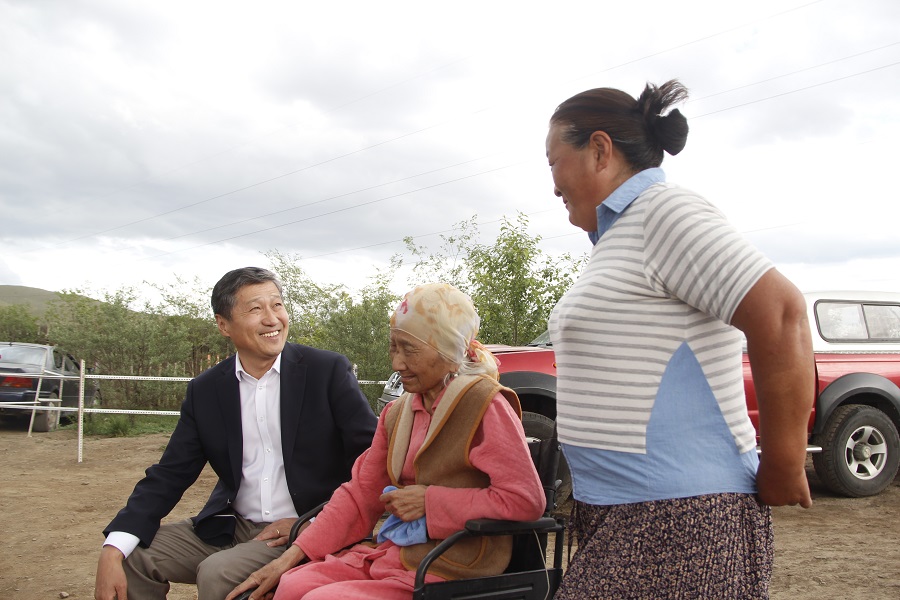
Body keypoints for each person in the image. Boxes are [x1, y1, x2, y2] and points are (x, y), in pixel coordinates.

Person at [544, 80, 814, 599]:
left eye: (553, 162)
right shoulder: (619, 236)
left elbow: (783, 314)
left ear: (599, 150)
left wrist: (783, 463)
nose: (553, 184)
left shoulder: (663, 212)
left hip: (680, 517)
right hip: (627, 513)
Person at [226, 282, 546, 600]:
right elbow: (360, 495)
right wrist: (288, 559)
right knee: (291, 585)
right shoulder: (398, 413)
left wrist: (430, 502)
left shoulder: (485, 406)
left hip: (451, 565)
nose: (396, 363)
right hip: (395, 553)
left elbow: (525, 501)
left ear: (448, 351)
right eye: (394, 347)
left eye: (410, 349)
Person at [94, 267, 378, 600]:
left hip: (305, 526)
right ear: (223, 325)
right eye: (256, 309)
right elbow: (170, 473)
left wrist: (312, 523)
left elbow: (371, 460)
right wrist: (114, 545)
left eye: (277, 305)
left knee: (218, 573)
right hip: (231, 524)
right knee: (133, 555)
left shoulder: (326, 371)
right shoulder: (206, 390)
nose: (272, 319)